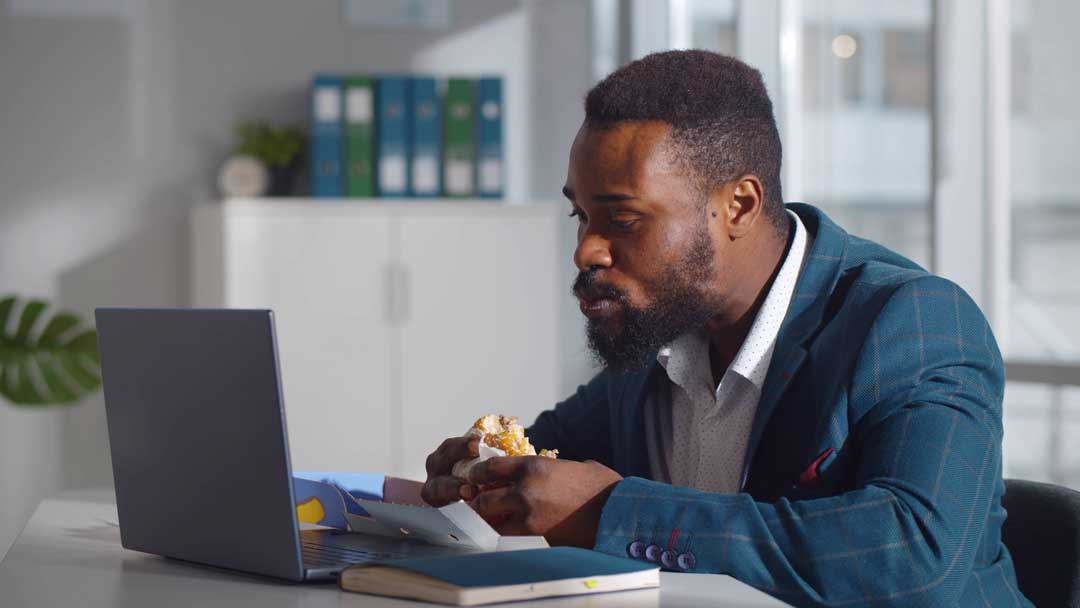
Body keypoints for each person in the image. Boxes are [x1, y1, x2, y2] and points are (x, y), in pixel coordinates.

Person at [422, 50, 1031, 607]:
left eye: (623, 220)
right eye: (581, 216)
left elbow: (917, 554)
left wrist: (614, 512)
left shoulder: (913, 320)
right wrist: (485, 472)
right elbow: (555, 463)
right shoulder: (659, 332)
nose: (586, 251)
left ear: (738, 205)